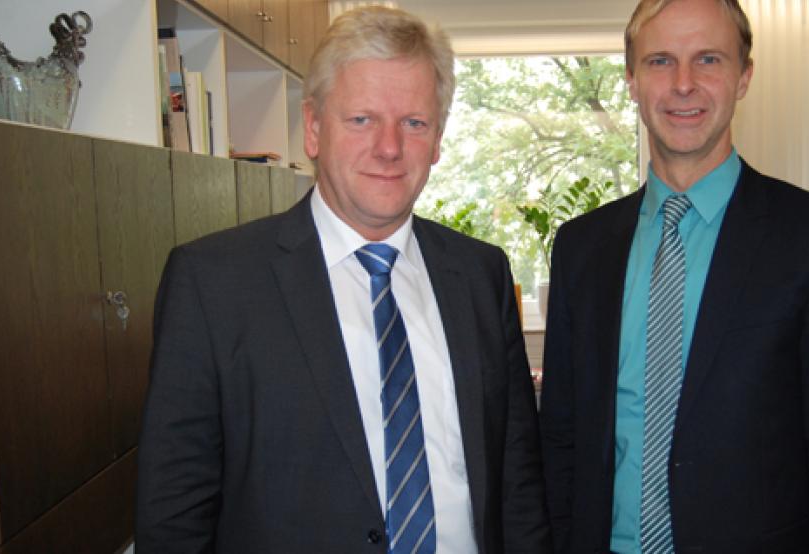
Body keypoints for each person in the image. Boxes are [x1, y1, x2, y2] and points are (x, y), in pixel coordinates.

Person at [135, 6, 550, 553]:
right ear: (312, 128)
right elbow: (173, 518)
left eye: (414, 122)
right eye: (362, 119)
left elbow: (516, 481)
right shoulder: (213, 284)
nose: (389, 147)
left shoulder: (481, 274)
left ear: (439, 139)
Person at [539, 0, 809, 552]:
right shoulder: (582, 248)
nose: (683, 84)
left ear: (743, 76)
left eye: (708, 59)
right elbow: (560, 440)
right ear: (631, 80)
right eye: (659, 61)